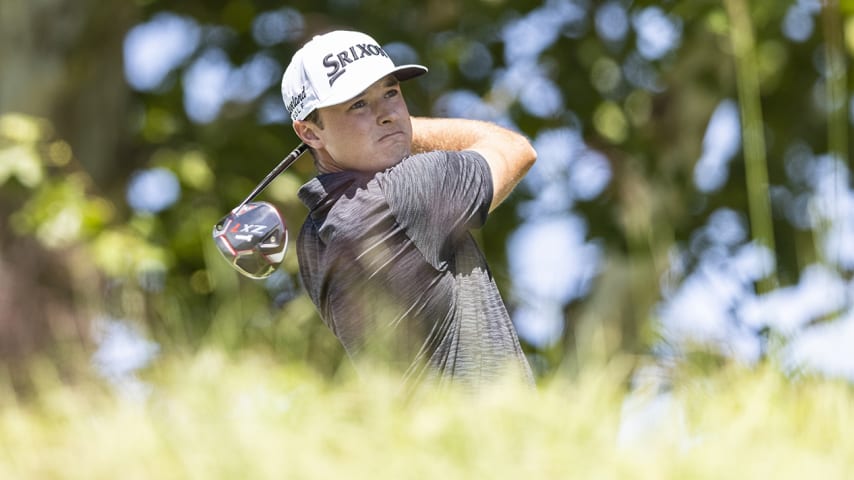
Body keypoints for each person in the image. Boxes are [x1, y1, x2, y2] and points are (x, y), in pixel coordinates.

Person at [281, 30, 536, 389]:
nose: (386, 114)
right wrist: (405, 131)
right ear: (309, 133)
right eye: (358, 104)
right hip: (485, 435)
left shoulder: (313, 237)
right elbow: (514, 148)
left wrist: (384, 130)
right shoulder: (405, 193)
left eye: (391, 93)